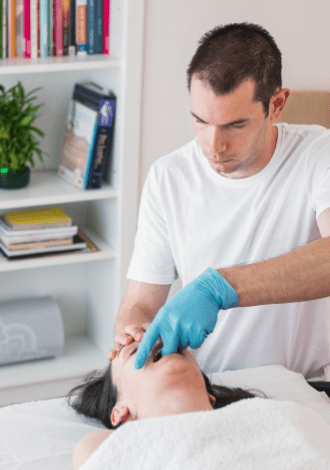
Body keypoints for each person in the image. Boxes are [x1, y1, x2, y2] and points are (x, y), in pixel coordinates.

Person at [109, 22, 330, 380]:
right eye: (200, 121)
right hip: (205, 387)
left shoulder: (317, 155)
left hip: (302, 388)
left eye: (235, 125)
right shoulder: (168, 177)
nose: (213, 146)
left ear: (276, 104)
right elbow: (141, 302)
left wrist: (220, 287)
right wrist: (133, 327)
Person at [69, 342, 260, 469]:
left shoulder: (255, 419)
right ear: (120, 412)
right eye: (135, 351)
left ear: (209, 397)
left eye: (175, 345)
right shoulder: (101, 446)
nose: (161, 343)